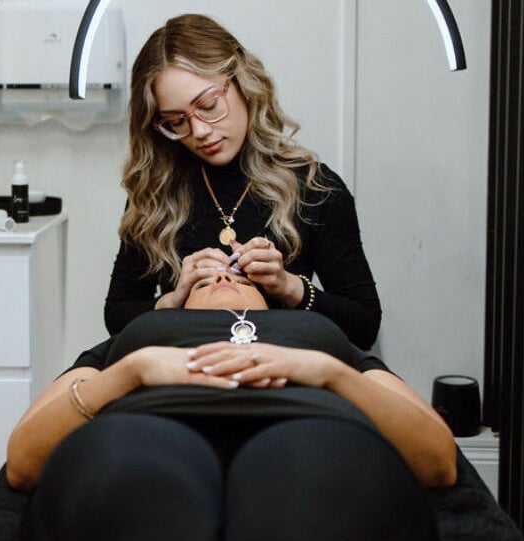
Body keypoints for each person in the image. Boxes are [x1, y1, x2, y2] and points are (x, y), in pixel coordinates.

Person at [6, 267, 456, 541]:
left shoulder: (319, 334)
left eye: (241, 278)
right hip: (149, 425)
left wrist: (329, 372)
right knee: (137, 475)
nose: (223, 277)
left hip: (311, 425)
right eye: (205, 281)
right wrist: (131, 371)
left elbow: (439, 459)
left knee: (313, 472)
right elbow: (23, 460)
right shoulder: (138, 336)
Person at [105, 14, 382, 350]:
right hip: (184, 371)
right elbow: (116, 317)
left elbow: (365, 326)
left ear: (242, 82)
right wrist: (173, 301)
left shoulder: (315, 189)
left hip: (288, 372)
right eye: (176, 122)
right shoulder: (158, 195)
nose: (199, 131)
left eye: (208, 105)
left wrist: (288, 286)